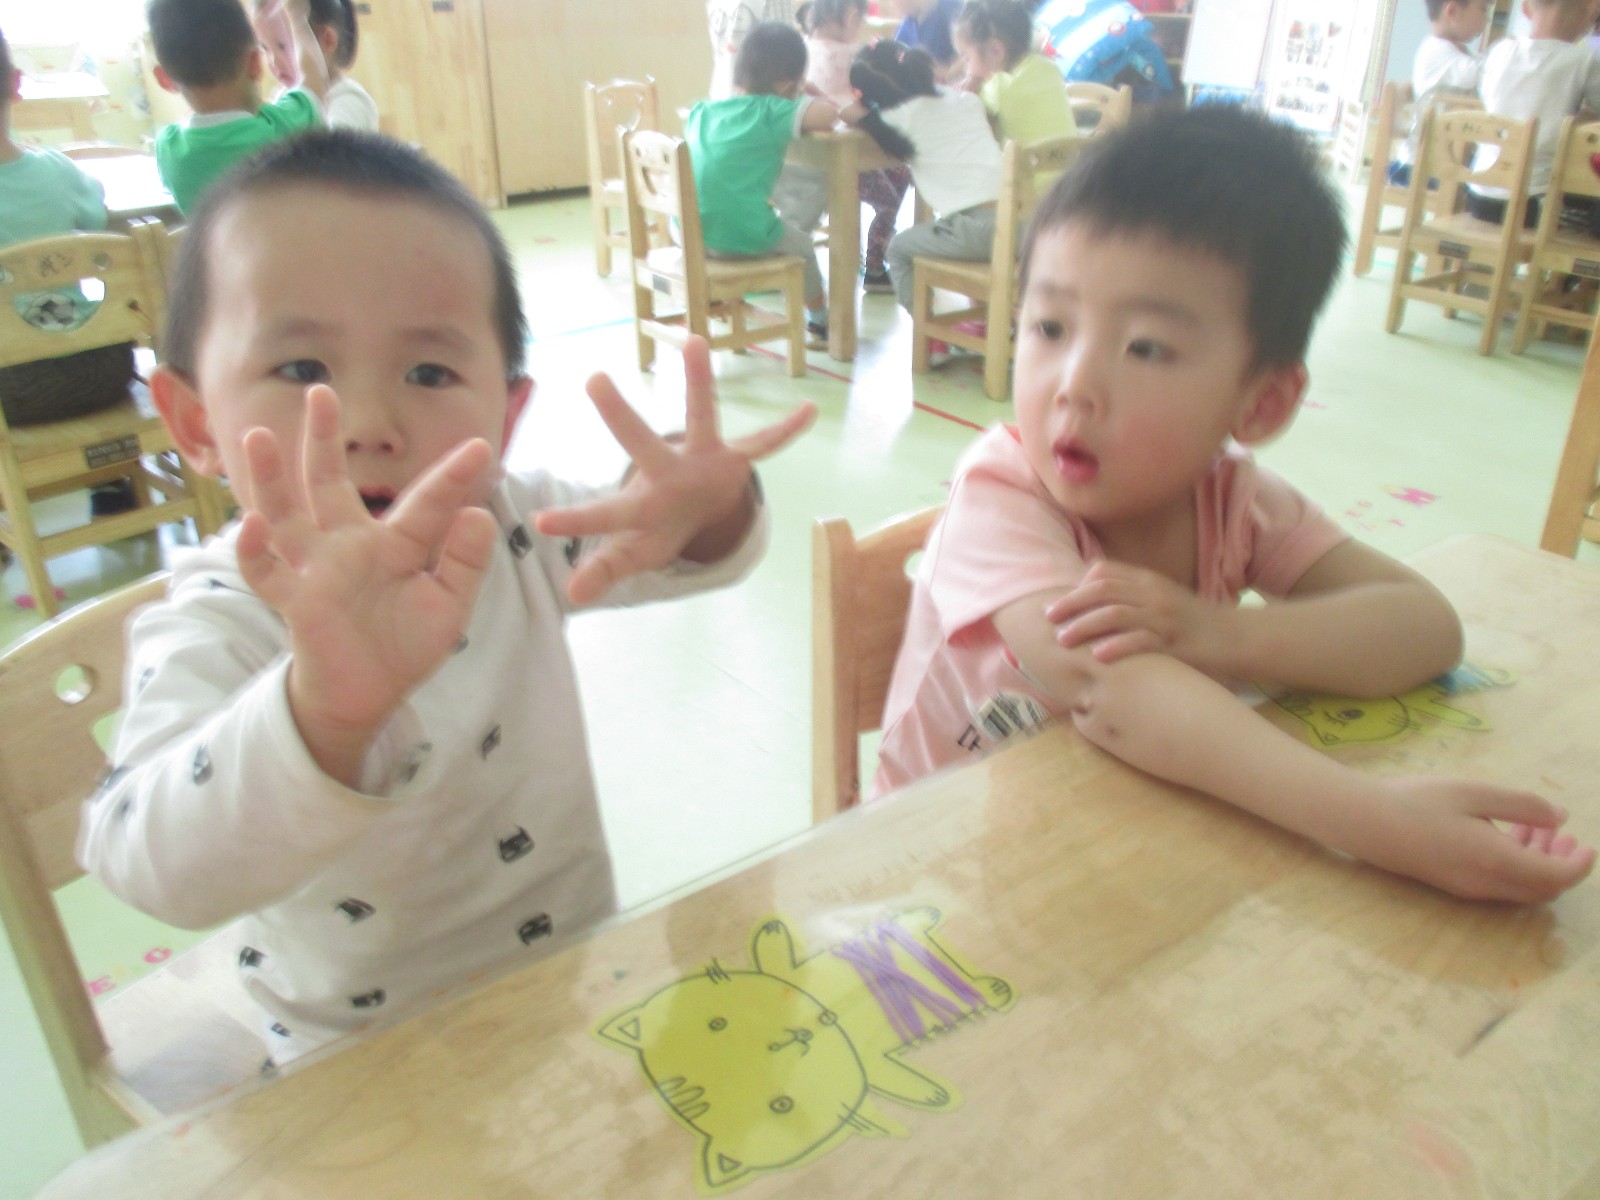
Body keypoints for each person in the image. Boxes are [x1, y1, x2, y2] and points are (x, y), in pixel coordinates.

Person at [75, 129, 815, 1062]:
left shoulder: (506, 526)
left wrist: (702, 511)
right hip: (353, 1056)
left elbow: (673, 552)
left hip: (574, 988)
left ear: (505, 417)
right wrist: (322, 716)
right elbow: (147, 861)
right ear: (194, 421)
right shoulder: (219, 612)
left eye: (429, 373)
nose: (370, 424)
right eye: (302, 370)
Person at [873, 105, 1595, 904]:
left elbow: (1424, 627)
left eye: (1146, 347)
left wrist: (1220, 633)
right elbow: (1115, 692)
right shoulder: (1001, 496)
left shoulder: (1232, 498)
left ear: (1261, 402)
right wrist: (1387, 825)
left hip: (1115, 841)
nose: (1074, 383)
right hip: (931, 873)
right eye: (1049, 326)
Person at [0, 27, 139, 517]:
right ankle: (111, 481)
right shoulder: (58, 173)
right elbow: (97, 213)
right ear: (16, 84)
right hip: (102, 372)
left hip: (11, 395)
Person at [686, 21, 874, 345]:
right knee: (803, 247)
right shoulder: (772, 111)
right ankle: (819, 320)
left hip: (690, 233)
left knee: (735, 201)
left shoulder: (704, 111)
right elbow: (827, 117)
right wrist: (808, 94)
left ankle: (715, 295)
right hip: (737, 235)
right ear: (788, 85)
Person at [850, 39, 1002, 317]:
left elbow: (850, 115)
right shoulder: (966, 100)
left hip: (975, 232)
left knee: (898, 251)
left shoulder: (896, 117)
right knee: (942, 230)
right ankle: (984, 322)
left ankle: (929, 332)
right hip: (1022, 225)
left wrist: (861, 112)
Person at [146, 0, 329, 214]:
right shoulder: (283, 129)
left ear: (165, 79)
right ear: (255, 62)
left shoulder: (168, 148)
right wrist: (297, 15)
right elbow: (314, 81)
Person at [798, 0, 911, 292]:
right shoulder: (850, 56)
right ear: (851, 17)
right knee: (897, 182)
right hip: (848, 162)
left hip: (810, 163)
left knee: (892, 172)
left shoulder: (802, 49)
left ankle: (868, 258)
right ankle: (875, 265)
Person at [1467, 0, 1600, 228]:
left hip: (1478, 195)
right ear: (1588, 13)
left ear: (1525, 8)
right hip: (1532, 204)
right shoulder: (1584, 60)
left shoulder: (1500, 50)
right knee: (1589, 216)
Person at [952, 0, 1075, 148]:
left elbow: (967, 104)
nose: (967, 71)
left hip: (1029, 163)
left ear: (996, 51)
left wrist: (973, 84)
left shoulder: (997, 88)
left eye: (967, 59)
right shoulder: (1048, 66)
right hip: (1074, 158)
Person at [1391, 0, 1489, 185]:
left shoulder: (1455, 51)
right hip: (1422, 166)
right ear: (1453, 11)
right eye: (1483, 9)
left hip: (1439, 161)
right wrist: (1506, 55)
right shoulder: (1437, 51)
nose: (1487, 18)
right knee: (1486, 186)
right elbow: (1483, 73)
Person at [254, 0, 378, 131]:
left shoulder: (350, 101)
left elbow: (330, 143)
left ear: (327, 40)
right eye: (265, 48)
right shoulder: (282, 96)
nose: (273, 61)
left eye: (283, 46)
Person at [886, 0, 964, 81]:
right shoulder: (909, 21)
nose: (892, 4)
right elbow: (895, 58)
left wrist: (949, 73)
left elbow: (970, 50)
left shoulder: (951, 8)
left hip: (952, 82)